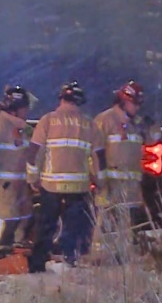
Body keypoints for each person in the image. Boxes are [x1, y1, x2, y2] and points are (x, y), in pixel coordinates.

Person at [25, 81, 107, 272]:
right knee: (74, 228)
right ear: (80, 101)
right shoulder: (90, 125)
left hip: (50, 186)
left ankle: (38, 265)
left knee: (46, 227)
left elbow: (33, 153)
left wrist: (32, 179)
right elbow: (99, 157)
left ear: (61, 98)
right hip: (78, 188)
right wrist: (101, 181)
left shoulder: (47, 120)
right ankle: (71, 262)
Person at [93, 80, 161, 241]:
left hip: (131, 189)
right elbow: (95, 151)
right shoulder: (105, 119)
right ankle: (96, 256)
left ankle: (124, 258)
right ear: (123, 101)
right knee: (103, 224)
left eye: (139, 104)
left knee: (127, 230)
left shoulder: (136, 124)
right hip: (110, 186)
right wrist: (99, 179)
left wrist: (153, 126)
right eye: (134, 104)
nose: (137, 108)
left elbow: (153, 140)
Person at [0, 84, 35, 252]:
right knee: (6, 218)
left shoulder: (24, 127)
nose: (27, 111)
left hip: (22, 184)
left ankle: (17, 249)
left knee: (23, 217)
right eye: (25, 108)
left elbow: (34, 151)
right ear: (15, 108)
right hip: (5, 183)